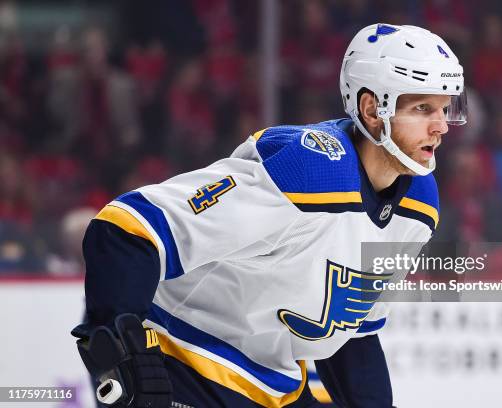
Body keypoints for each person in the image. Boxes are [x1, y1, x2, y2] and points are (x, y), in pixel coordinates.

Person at [72, 23, 467, 408]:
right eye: (422, 108)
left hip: (269, 380)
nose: (441, 127)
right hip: (181, 355)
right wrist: (124, 360)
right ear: (371, 109)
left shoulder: (418, 204)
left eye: (445, 109)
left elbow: (351, 332)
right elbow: (125, 230)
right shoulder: (311, 170)